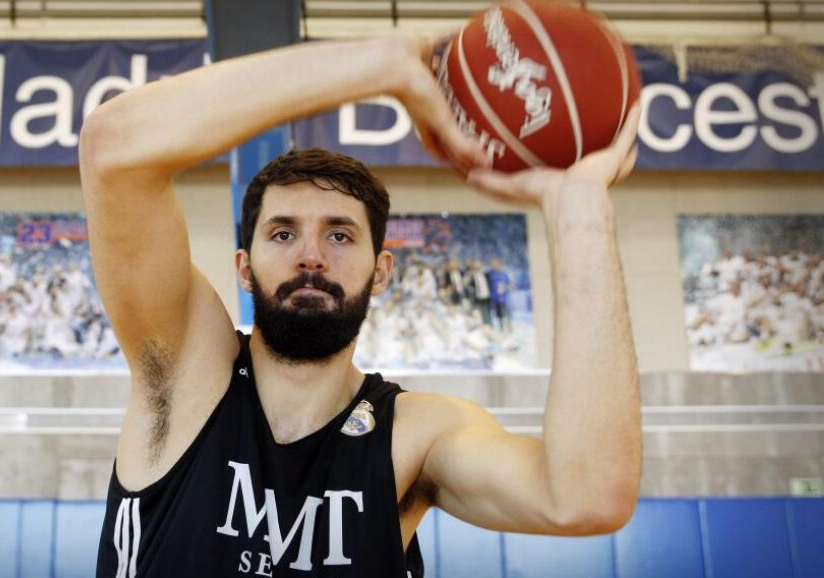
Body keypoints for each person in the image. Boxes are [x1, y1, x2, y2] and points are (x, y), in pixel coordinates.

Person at [80, 33, 641, 577]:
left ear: (381, 272)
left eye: (340, 235)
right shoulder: (187, 377)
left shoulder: (414, 436)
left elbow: (585, 497)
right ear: (244, 268)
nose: (311, 256)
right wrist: (384, 65)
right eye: (282, 234)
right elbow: (114, 147)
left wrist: (580, 204)